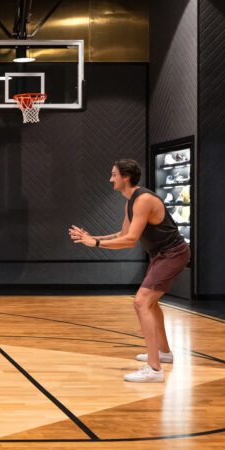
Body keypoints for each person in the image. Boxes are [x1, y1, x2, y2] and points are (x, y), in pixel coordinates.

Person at [68, 159, 190, 383]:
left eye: (113, 174)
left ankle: (154, 369)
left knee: (141, 302)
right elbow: (122, 233)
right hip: (161, 255)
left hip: (173, 254)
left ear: (125, 177)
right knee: (150, 303)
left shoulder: (143, 200)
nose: (110, 179)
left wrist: (94, 244)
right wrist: (92, 237)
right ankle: (163, 353)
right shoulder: (131, 201)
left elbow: (131, 240)